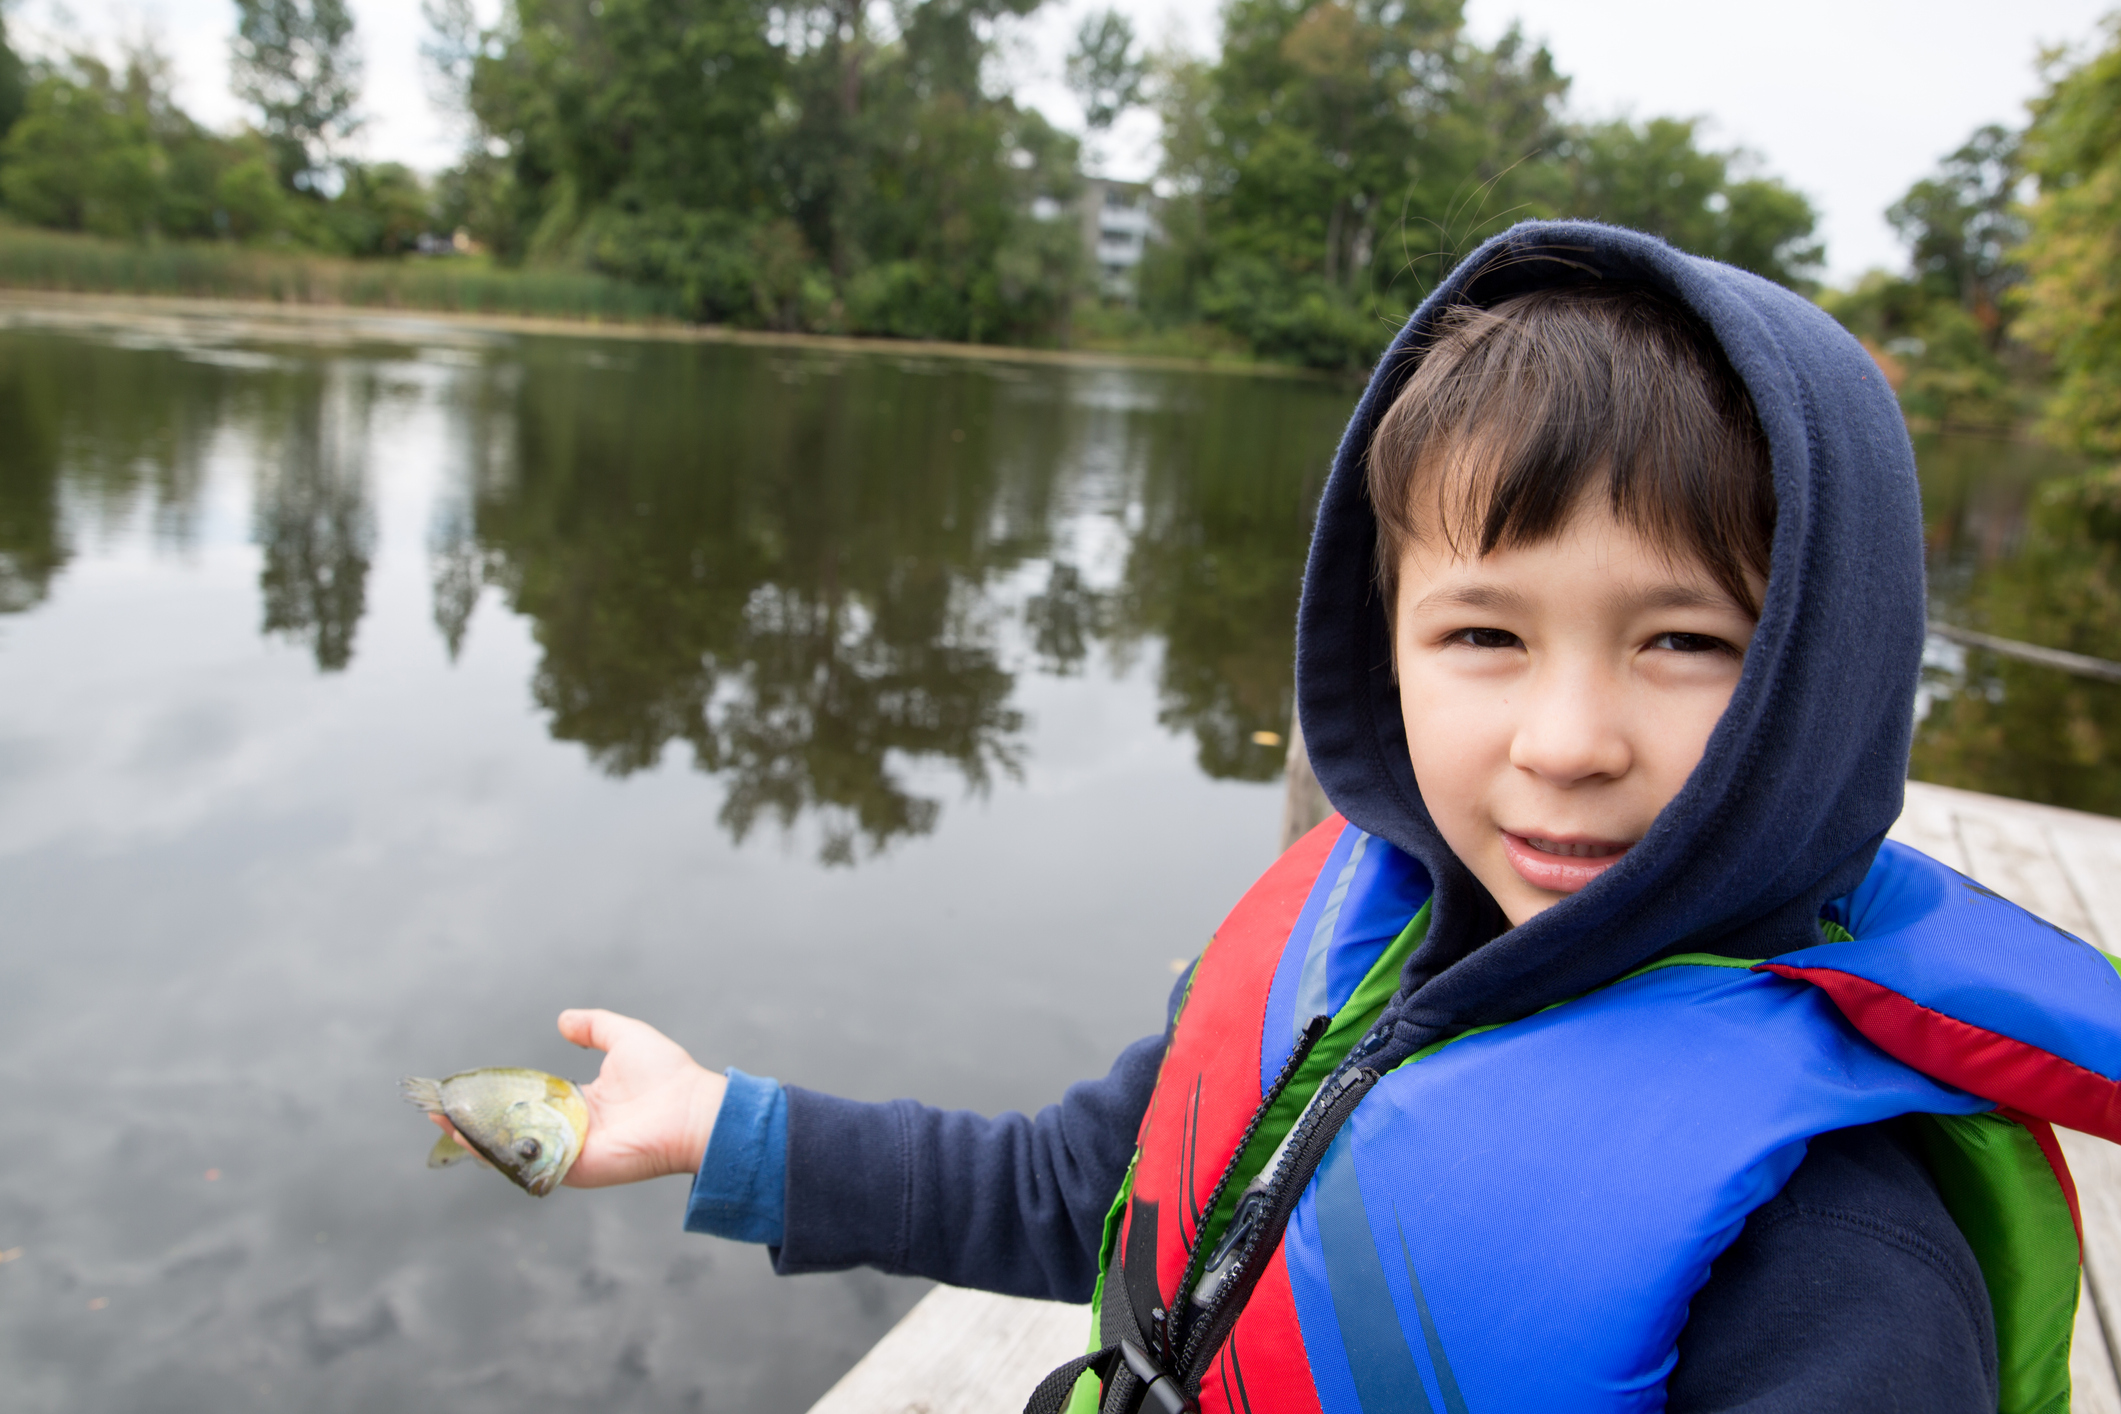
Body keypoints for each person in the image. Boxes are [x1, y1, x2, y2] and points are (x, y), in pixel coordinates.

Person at [433, 223, 2121, 1413]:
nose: (1565, 737)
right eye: (1483, 633)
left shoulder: (1835, 1240)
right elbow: (1076, 1188)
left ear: (1823, 671)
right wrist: (722, 1126)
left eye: (1683, 641)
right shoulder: (1355, 922)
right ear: (1385, 649)